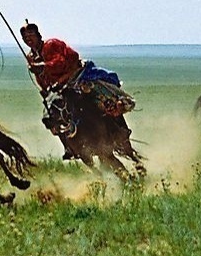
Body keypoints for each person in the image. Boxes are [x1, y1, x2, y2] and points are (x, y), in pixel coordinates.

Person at [19, 21, 134, 158]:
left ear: (38, 35)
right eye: (25, 37)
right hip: (57, 89)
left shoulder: (51, 45)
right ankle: (69, 147)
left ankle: (119, 129)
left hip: (75, 77)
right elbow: (40, 77)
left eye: (31, 35)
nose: (28, 39)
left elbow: (60, 62)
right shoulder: (31, 57)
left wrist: (42, 66)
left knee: (100, 98)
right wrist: (45, 89)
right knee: (52, 115)